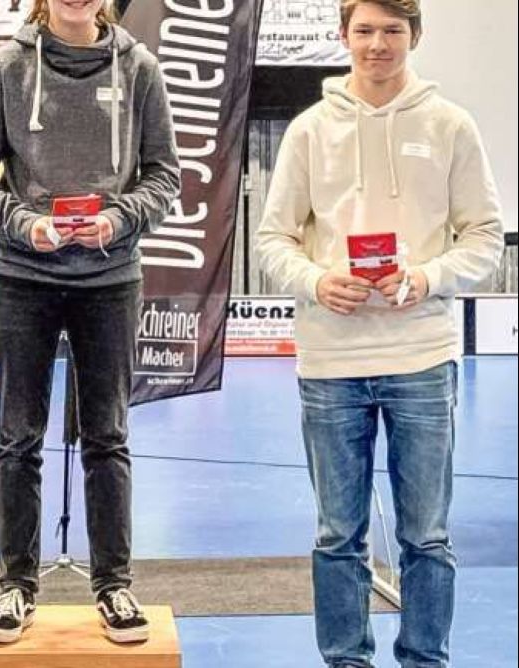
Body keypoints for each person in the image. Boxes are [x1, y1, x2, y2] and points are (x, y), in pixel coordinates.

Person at [256, 1, 504, 666]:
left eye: (392, 30)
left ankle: (425, 659)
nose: (377, 44)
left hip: (422, 356)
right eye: (364, 30)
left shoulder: (450, 125)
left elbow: (484, 237)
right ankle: (346, 660)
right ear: (343, 36)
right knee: (337, 536)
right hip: (329, 362)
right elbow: (273, 239)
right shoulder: (309, 131)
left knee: (427, 536)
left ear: (414, 36)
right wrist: (315, 282)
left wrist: (427, 277)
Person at [0, 0, 178, 645]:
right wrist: (24, 223)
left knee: (108, 435)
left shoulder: (140, 69)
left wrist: (119, 218)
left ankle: (114, 585)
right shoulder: (4, 68)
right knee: (17, 436)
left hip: (110, 281)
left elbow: (164, 175)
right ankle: (15, 588)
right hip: (21, 277)